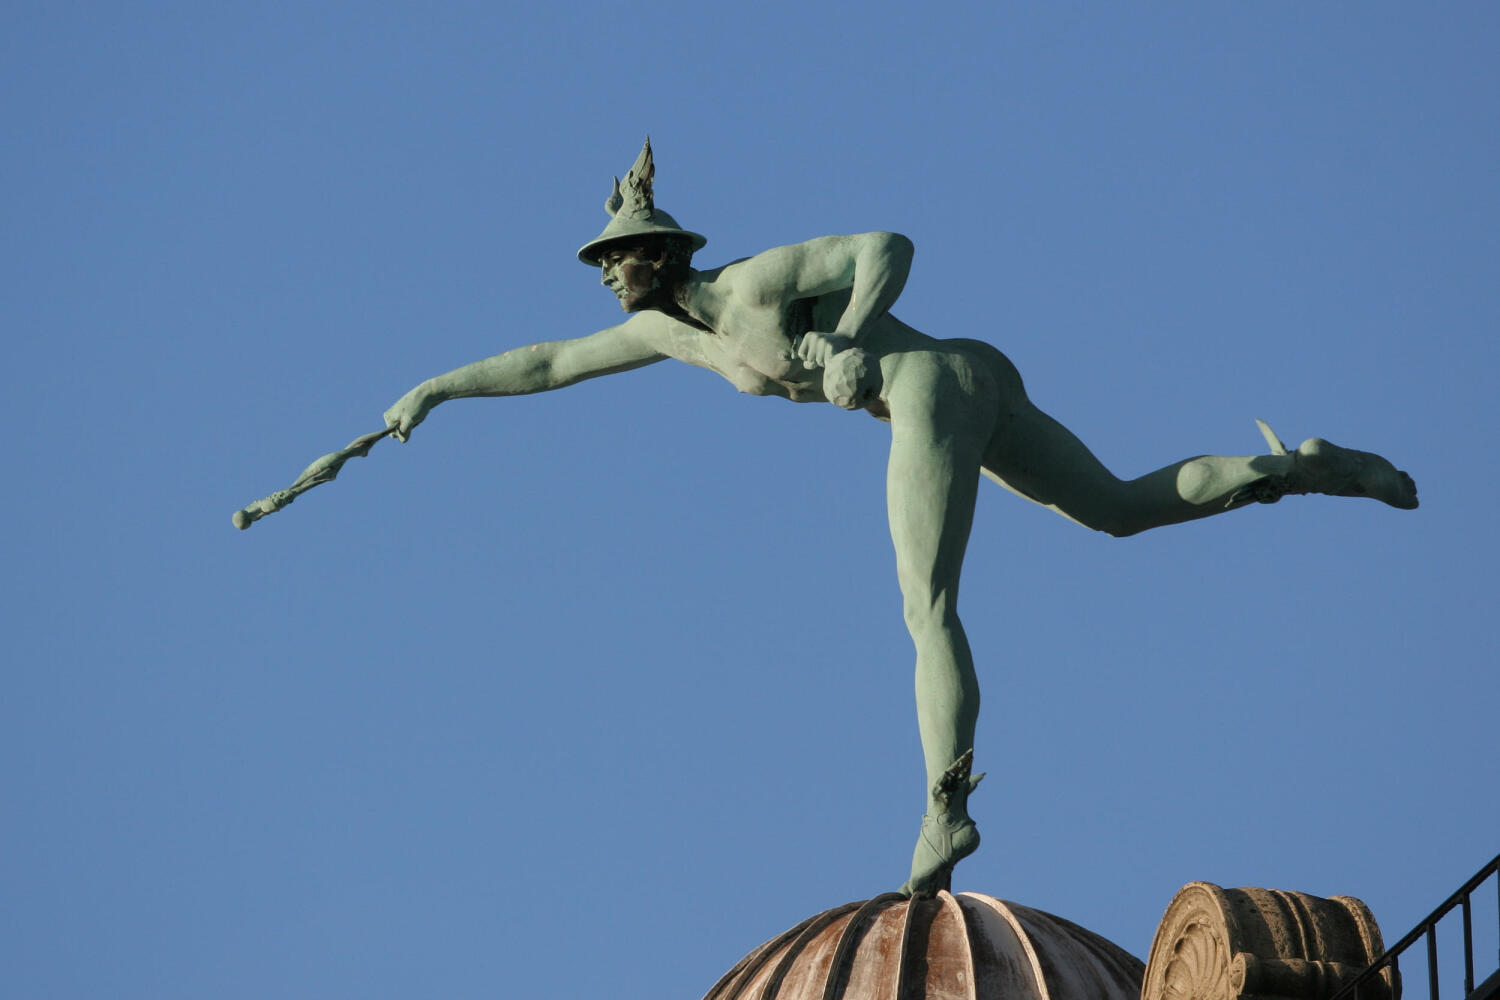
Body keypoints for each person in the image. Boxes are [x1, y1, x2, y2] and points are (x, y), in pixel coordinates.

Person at [382, 140, 1418, 896]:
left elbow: (886, 242)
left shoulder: (751, 285)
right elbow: (549, 363)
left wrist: (849, 335)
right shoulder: (672, 337)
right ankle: (1296, 470)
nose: (607, 272)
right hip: (969, 382)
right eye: (602, 263)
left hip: (929, 383)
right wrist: (435, 389)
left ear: (659, 251)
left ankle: (945, 807)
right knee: (1114, 510)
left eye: (616, 257)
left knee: (927, 609)